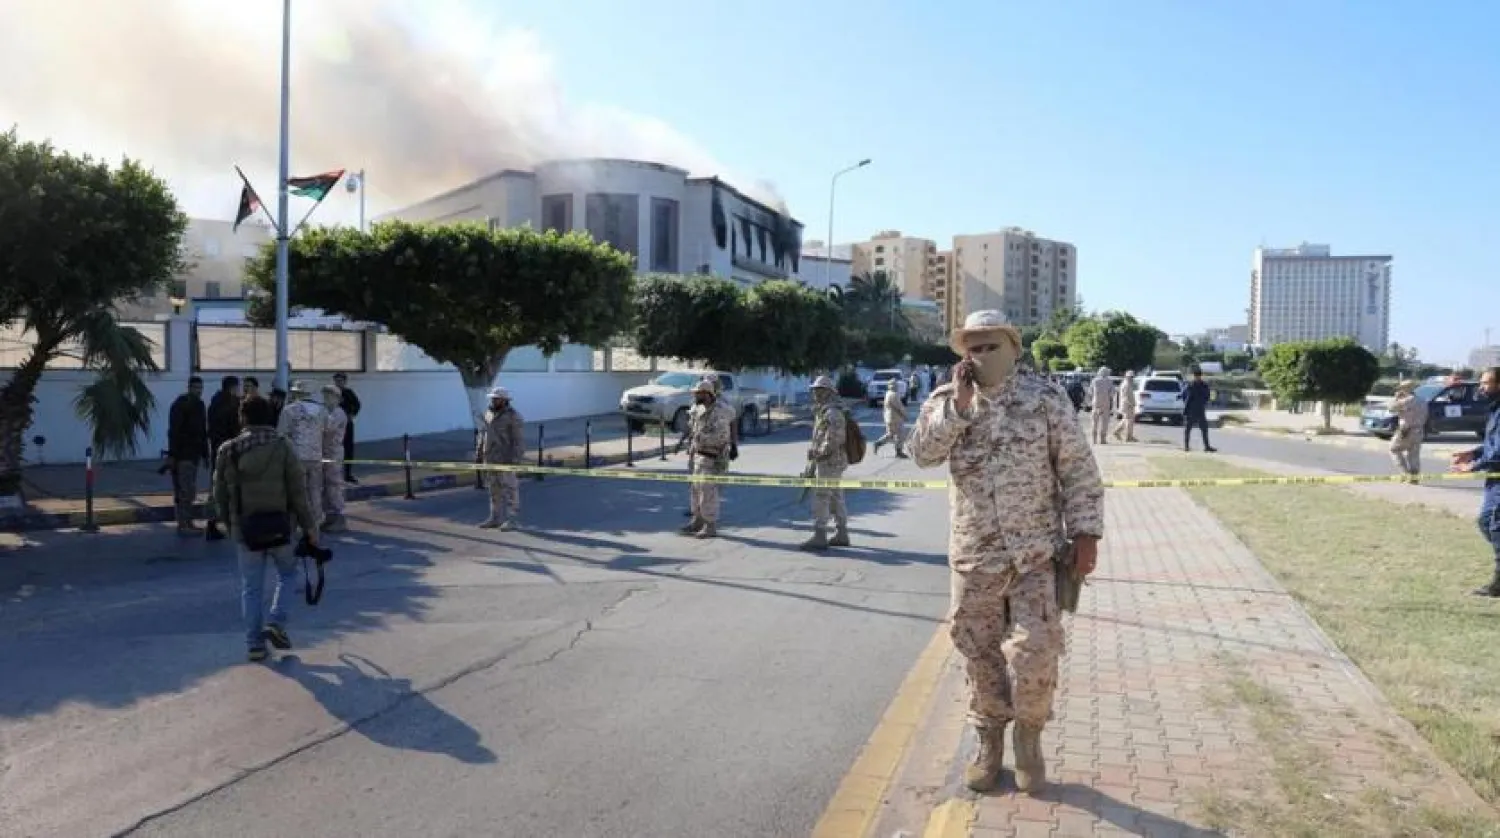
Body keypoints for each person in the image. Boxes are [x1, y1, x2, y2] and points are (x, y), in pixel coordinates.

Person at [908, 309, 1104, 795]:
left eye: (991, 345)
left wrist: (1086, 534)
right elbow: (923, 454)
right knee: (979, 654)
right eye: (972, 347)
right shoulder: (946, 400)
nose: (980, 354)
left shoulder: (1045, 400)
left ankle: (1030, 739)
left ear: (1014, 348)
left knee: (1037, 651)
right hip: (975, 556)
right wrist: (959, 407)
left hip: (1035, 554)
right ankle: (989, 741)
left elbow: (1077, 468)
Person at [212, 394, 320, 662]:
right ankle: (276, 622)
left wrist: (229, 523)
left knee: (251, 588)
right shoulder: (284, 447)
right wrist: (310, 527)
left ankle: (254, 645)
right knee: (287, 573)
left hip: (246, 531)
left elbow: (220, 494)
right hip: (281, 527)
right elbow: (298, 492)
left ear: (242, 418)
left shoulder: (228, 450)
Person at [1450, 367, 1500, 597]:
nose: (1481, 387)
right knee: (1486, 522)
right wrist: (1473, 453)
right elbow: (1492, 446)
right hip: (1494, 478)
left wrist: (1472, 466)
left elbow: (1499, 452)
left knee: (1494, 524)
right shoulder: (1494, 410)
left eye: (1486, 383)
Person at [680, 377, 734, 539]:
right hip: (698, 456)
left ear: (707, 394)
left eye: (699, 393)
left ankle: (710, 526)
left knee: (708, 493)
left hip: (712, 457)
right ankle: (697, 521)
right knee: (695, 491)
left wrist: (700, 438)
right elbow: (692, 430)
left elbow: (721, 437)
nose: (695, 396)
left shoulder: (719, 412)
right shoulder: (699, 410)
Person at [801, 376, 851, 551]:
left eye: (819, 390)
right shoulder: (824, 411)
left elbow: (834, 440)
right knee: (836, 496)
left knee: (821, 496)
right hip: (829, 461)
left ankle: (820, 534)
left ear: (828, 392)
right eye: (815, 389)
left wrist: (818, 453)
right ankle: (842, 533)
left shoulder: (832, 413)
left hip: (830, 462)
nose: (815, 393)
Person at [276, 381, 327, 537]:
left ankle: (294, 524)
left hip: (296, 457)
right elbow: (326, 430)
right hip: (316, 456)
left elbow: (281, 434)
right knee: (314, 490)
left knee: (296, 492)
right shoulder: (322, 411)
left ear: (298, 393)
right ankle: (316, 522)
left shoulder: (289, 410)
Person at [166, 376, 211, 535]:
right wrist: (173, 454)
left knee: (187, 490)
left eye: (200, 388)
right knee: (185, 491)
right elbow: (174, 432)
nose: (198, 391)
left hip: (193, 454)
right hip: (183, 455)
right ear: (190, 388)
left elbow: (202, 432)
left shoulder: (199, 406)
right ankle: (184, 523)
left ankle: (186, 522)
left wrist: (205, 454)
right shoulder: (181, 405)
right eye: (196, 388)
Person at [476, 387, 525, 530]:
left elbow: (518, 440)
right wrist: (479, 451)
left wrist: (516, 459)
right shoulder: (488, 414)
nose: (493, 400)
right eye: (492, 398)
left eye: (496, 398)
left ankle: (512, 519)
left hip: (506, 459)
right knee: (493, 490)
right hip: (490, 457)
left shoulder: (513, 416)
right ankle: (495, 518)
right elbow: (483, 433)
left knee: (510, 490)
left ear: (504, 400)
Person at [204, 375, 242, 541]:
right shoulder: (232, 404)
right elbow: (236, 428)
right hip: (231, 450)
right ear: (233, 387)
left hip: (217, 450)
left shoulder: (214, 403)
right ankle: (232, 524)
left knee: (216, 487)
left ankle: (212, 522)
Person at [320, 384, 349, 532]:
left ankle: (339, 516)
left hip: (333, 452)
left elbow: (327, 428)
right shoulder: (325, 411)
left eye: (329, 395)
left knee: (334, 484)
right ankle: (329, 516)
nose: (326, 398)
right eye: (325, 395)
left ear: (337, 398)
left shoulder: (338, 413)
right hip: (323, 452)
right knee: (324, 486)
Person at [1388, 380, 1425, 479]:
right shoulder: (1422, 401)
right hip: (1419, 430)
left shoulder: (1405, 401)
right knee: (1414, 455)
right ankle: (1414, 477)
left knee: (1393, 449)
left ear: (1405, 389)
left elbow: (1391, 408)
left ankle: (1405, 473)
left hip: (1406, 430)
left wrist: (1396, 398)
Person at [332, 372, 361, 484]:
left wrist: (352, 414)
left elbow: (357, 405)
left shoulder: (348, 393)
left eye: (340, 381)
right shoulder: (331, 393)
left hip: (347, 424)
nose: (338, 383)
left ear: (345, 381)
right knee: (333, 448)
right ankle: (334, 474)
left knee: (348, 448)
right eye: (336, 381)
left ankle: (347, 474)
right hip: (334, 425)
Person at [1183, 367, 1216, 452]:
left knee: (1204, 429)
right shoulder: (1190, 385)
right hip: (1191, 410)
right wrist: (1186, 407)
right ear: (1194, 376)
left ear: (1200, 376)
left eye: (1199, 376)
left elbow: (1207, 396)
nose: (1197, 377)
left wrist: (1204, 402)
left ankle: (1207, 446)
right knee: (1188, 428)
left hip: (1200, 409)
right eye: (1196, 376)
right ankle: (1186, 446)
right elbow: (1185, 395)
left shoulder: (1204, 385)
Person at [874, 381, 909, 458]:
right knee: (901, 434)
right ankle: (899, 451)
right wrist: (905, 415)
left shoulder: (888, 393)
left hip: (888, 417)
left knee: (890, 434)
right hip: (895, 418)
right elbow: (899, 407)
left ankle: (878, 443)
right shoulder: (894, 394)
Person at [1088, 367, 1114, 444]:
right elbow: (1112, 394)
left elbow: (1090, 392)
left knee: (1094, 422)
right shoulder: (1109, 381)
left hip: (1096, 403)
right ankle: (1102, 439)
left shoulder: (1094, 381)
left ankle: (1094, 440)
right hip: (1105, 403)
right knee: (1104, 422)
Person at [1111, 370, 1138, 442]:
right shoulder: (1126, 385)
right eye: (1130, 377)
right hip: (1127, 405)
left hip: (1128, 404)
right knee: (1129, 421)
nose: (1132, 378)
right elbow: (1125, 397)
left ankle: (1116, 432)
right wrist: (1130, 404)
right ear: (1127, 377)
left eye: (1132, 377)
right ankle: (1128, 437)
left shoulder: (1128, 384)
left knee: (1125, 420)